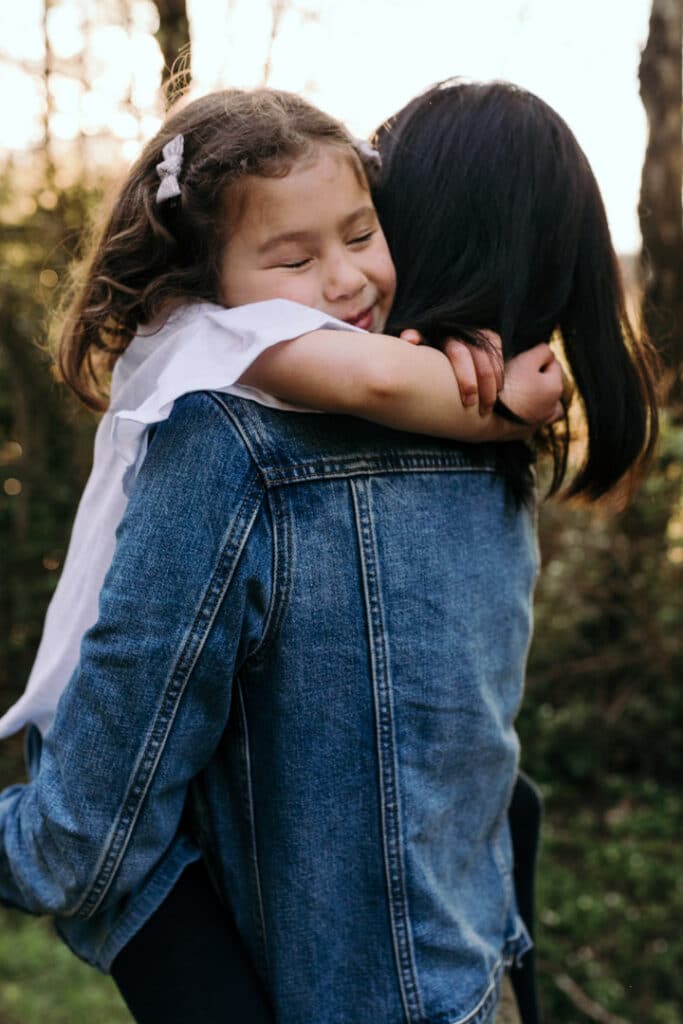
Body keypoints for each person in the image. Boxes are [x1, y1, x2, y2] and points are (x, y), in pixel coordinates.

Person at [0, 82, 656, 1024]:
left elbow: (79, 842)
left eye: (365, 226)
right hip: (480, 986)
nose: (345, 279)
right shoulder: (490, 447)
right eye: (296, 252)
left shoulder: (243, 446)